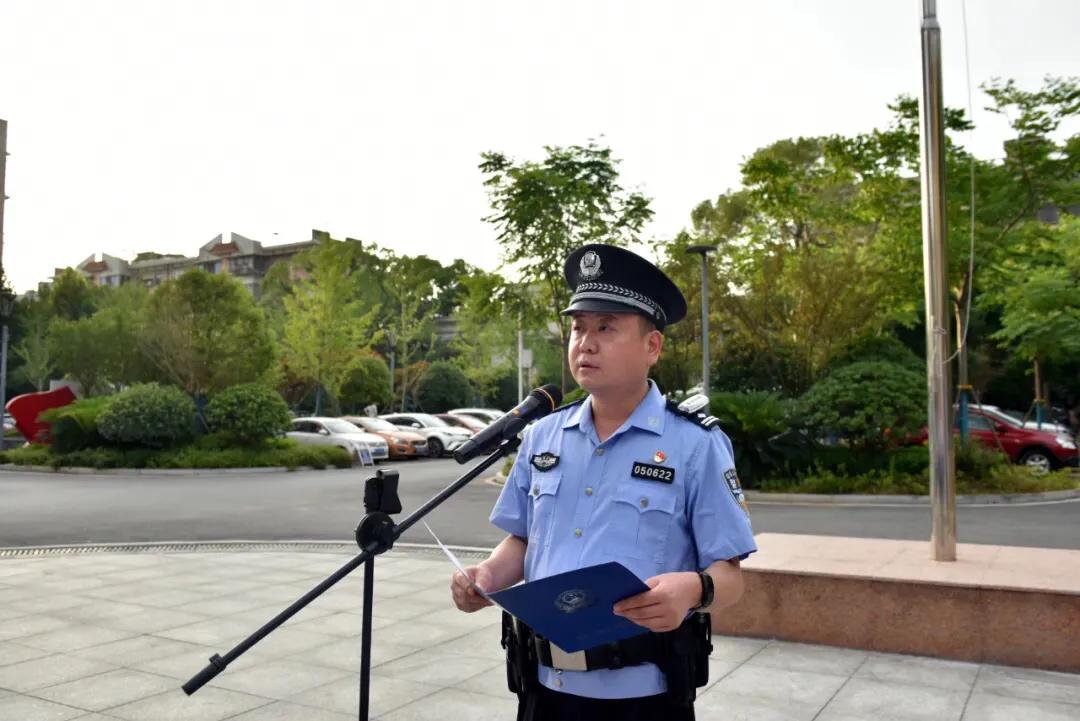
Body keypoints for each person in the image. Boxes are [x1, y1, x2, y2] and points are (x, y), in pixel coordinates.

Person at [451, 243, 756, 721]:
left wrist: (692, 591)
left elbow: (731, 577)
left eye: (606, 328)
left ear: (652, 346)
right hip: (542, 687)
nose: (585, 343)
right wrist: (487, 576)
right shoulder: (542, 435)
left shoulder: (695, 445)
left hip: (644, 698)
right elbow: (521, 540)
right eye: (578, 328)